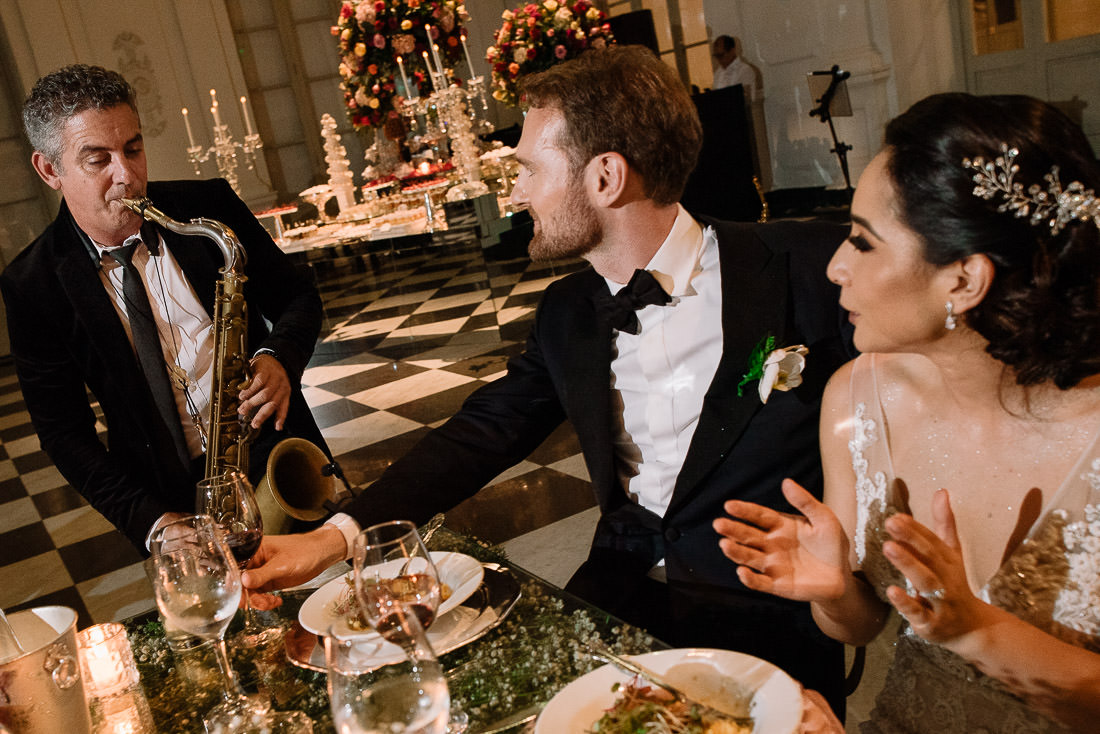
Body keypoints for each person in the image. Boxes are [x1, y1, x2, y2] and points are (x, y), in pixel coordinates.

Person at [244, 45, 854, 715]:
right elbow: (477, 436)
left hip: (771, 622)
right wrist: (330, 538)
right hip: (617, 605)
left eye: (530, 169)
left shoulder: (811, 267)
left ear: (606, 177)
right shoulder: (568, 313)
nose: (514, 193)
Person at [714, 92, 1100, 733]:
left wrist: (976, 630)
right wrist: (836, 588)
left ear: (963, 280)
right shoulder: (856, 403)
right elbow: (863, 625)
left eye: (863, 242)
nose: (836, 266)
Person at [1, 64, 332, 552]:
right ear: (50, 169)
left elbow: (299, 296)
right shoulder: (33, 285)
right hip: (170, 503)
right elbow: (63, 433)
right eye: (98, 160)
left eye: (133, 149)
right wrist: (152, 522)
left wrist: (279, 355)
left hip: (275, 452)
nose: (128, 176)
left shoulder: (208, 207)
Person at [711, 35, 757, 102]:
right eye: (716, 56)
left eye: (721, 55)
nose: (719, 60)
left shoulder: (745, 70)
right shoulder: (717, 74)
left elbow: (748, 100)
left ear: (732, 51)